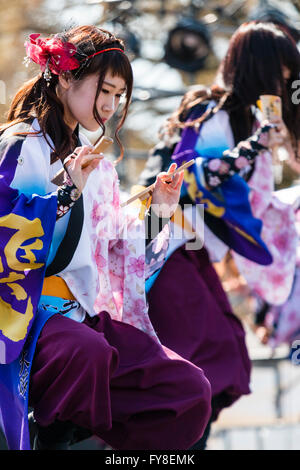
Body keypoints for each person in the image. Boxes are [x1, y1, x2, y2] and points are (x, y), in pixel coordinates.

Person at [0, 25, 212, 451]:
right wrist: (64, 194)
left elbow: (118, 250)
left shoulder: (97, 166)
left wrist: (159, 212)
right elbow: (6, 223)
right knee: (86, 354)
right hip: (22, 319)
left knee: (186, 389)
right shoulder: (22, 144)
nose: (112, 106)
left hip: (78, 317)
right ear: (64, 77)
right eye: (106, 91)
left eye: (119, 96)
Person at [138, 21, 300, 448]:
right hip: (168, 246)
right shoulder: (213, 110)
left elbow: (253, 201)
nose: (287, 81)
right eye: (283, 70)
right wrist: (257, 148)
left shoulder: (249, 120)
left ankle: (183, 442)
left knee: (227, 354)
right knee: (206, 354)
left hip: (194, 252)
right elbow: (190, 176)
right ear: (262, 67)